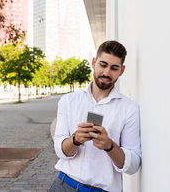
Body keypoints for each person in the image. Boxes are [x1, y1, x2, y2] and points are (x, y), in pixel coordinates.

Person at [49, 40, 141, 192]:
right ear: (94, 62)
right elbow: (60, 150)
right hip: (64, 185)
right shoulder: (68, 101)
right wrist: (75, 140)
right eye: (103, 65)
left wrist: (109, 146)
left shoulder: (129, 109)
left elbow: (133, 165)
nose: (106, 73)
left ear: (122, 71)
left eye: (114, 68)